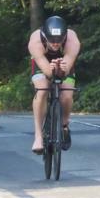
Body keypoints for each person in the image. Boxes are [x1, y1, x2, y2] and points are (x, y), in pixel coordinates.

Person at [29, 15, 80, 154]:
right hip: (42, 63)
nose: (56, 44)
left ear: (65, 36)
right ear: (45, 36)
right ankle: (38, 136)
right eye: (52, 40)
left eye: (59, 40)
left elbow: (66, 69)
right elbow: (48, 73)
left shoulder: (72, 40)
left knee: (67, 96)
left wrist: (61, 68)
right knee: (42, 90)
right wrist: (51, 69)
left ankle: (64, 125)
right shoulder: (35, 42)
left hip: (64, 63)